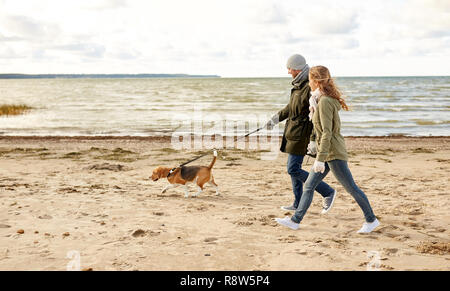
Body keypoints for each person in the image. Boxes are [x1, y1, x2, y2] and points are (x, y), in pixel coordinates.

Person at [275, 65, 380, 233]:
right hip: (327, 151)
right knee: (309, 186)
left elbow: (327, 133)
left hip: (333, 153)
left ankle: (371, 220)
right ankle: (295, 221)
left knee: (351, 188)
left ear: (316, 81)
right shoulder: (319, 100)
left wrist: (320, 159)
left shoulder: (324, 102)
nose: (308, 83)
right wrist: (312, 142)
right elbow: (319, 131)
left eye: (309, 80)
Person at [266, 54, 336, 213]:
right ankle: (297, 202)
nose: (288, 72)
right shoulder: (298, 86)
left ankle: (327, 191)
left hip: (302, 135)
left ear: (297, 68)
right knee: (294, 170)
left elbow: (315, 116)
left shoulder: (308, 87)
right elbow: (290, 107)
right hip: (293, 134)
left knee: (293, 169)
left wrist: (312, 139)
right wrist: (274, 120)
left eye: (289, 68)